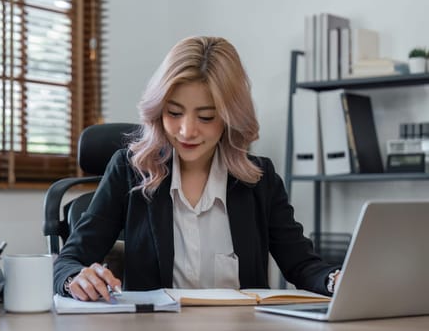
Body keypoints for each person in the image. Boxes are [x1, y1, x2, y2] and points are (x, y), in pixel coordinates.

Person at [53, 36, 341, 302]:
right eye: (174, 113)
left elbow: (302, 265)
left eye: (206, 117)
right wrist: (75, 279)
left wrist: (335, 280)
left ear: (231, 118)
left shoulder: (260, 180)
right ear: (157, 110)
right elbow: (68, 261)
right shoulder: (130, 171)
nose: (187, 130)